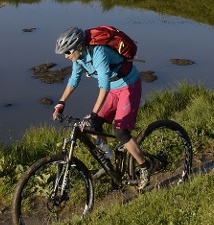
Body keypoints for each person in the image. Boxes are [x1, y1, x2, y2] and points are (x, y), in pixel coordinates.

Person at [51, 26, 151, 188]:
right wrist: (61, 102)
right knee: (95, 125)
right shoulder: (79, 58)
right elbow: (73, 80)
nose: (66, 56)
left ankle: (145, 167)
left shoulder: (99, 53)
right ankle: (108, 160)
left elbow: (103, 85)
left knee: (121, 132)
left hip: (128, 85)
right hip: (113, 88)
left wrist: (93, 113)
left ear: (78, 46)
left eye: (68, 51)